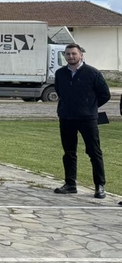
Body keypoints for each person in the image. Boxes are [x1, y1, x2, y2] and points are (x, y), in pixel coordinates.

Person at [53, 43, 111, 198]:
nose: (71, 56)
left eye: (74, 53)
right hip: (66, 118)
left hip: (87, 119)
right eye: (68, 54)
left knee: (94, 152)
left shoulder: (92, 73)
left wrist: (89, 106)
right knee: (69, 152)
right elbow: (60, 91)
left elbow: (105, 94)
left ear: (81, 55)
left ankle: (99, 185)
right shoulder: (60, 73)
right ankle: (70, 184)